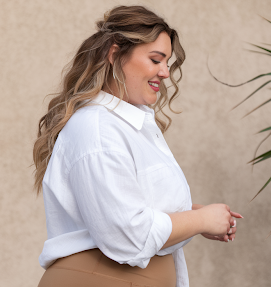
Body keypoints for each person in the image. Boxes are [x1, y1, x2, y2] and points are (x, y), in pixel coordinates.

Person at [33, 5, 242, 287]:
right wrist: (202, 220)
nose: (166, 73)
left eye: (167, 63)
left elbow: (126, 205)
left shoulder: (124, 125)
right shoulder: (98, 129)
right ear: (115, 53)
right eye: (156, 59)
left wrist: (193, 215)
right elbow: (128, 234)